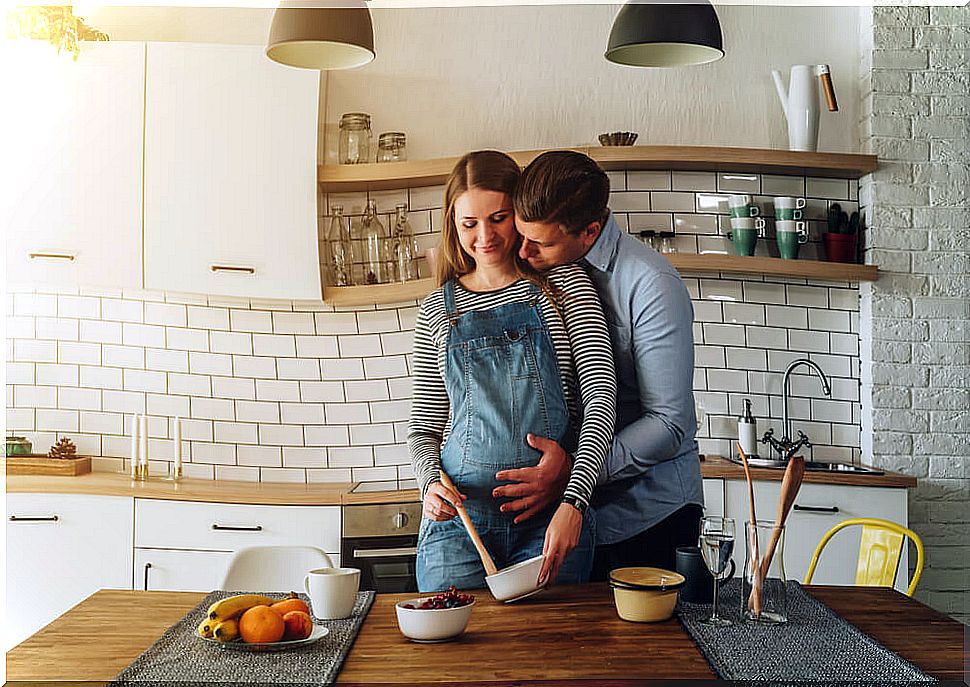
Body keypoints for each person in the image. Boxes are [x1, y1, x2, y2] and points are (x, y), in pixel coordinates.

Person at [408, 150, 616, 592]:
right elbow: (422, 427)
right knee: (453, 656)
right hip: (461, 523)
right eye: (469, 224)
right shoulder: (436, 310)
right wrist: (430, 482)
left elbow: (599, 402)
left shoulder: (565, 285)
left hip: (551, 518)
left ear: (518, 212)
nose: (485, 236)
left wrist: (575, 501)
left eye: (498, 218)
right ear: (452, 223)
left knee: (553, 654)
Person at [494, 150, 704, 578]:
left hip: (648, 516)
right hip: (566, 516)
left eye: (542, 243)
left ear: (591, 231)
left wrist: (575, 474)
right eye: (520, 234)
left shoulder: (651, 285)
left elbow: (669, 423)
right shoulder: (546, 271)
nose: (524, 250)